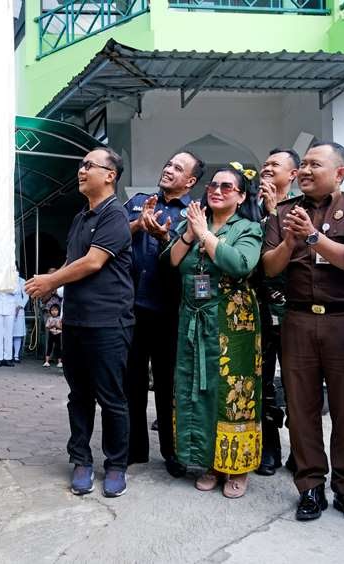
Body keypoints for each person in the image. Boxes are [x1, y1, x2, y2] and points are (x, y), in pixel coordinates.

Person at [262, 142, 344, 528]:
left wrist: (312, 236)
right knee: (302, 407)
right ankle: (310, 485)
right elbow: (270, 268)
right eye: (303, 164)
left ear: (340, 173)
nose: (305, 171)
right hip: (299, 320)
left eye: (315, 164)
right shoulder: (282, 212)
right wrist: (290, 242)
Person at [25, 147, 134, 498]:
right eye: (81, 165)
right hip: (77, 322)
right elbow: (74, 261)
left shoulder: (115, 214)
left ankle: (116, 464)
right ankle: (81, 460)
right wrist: (51, 284)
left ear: (110, 175)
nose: (81, 170)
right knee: (80, 396)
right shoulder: (80, 217)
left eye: (89, 165)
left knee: (111, 397)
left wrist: (50, 280)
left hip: (109, 322)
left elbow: (92, 262)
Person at [166, 162, 263, 498]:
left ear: (241, 196)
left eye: (226, 187)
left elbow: (240, 265)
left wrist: (204, 235)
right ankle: (208, 461)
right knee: (198, 389)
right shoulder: (194, 222)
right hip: (194, 320)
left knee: (234, 393)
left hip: (233, 325)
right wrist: (190, 233)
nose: (217, 191)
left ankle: (236, 466)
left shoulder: (248, 228)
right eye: (213, 186)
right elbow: (172, 261)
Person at [124, 150, 204, 476]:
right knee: (132, 380)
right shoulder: (139, 202)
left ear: (190, 181)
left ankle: (172, 451)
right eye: (169, 164)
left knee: (169, 383)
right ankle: (135, 449)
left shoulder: (195, 213)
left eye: (178, 168)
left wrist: (165, 236)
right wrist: (137, 224)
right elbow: (114, 238)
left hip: (171, 310)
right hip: (133, 306)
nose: (169, 169)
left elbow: (194, 257)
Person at [254, 148, 300, 476]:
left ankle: (302, 450)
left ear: (293, 174)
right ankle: (269, 446)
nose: (267, 168)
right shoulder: (247, 207)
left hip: (294, 309)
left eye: (275, 165)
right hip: (257, 307)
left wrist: (274, 214)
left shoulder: (301, 208)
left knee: (299, 384)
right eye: (266, 163)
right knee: (263, 381)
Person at [0, 288, 17, 367]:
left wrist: (6, 288)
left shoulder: (12, 279)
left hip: (9, 307)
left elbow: (17, 290)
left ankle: (8, 358)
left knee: (8, 335)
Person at [12, 272, 28, 363]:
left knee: (17, 333)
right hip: (7, 307)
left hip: (19, 307)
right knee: (7, 333)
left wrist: (20, 306)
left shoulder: (22, 281)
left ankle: (16, 355)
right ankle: (8, 355)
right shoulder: (5, 279)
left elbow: (26, 295)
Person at [43, 304, 63, 368]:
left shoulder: (60, 319)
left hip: (58, 334)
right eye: (52, 310)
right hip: (51, 334)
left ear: (59, 311)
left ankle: (59, 362)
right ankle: (47, 361)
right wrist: (51, 325)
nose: (54, 312)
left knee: (58, 348)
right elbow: (47, 326)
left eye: (56, 310)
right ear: (50, 311)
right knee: (49, 347)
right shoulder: (49, 318)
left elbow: (62, 327)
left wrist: (57, 326)